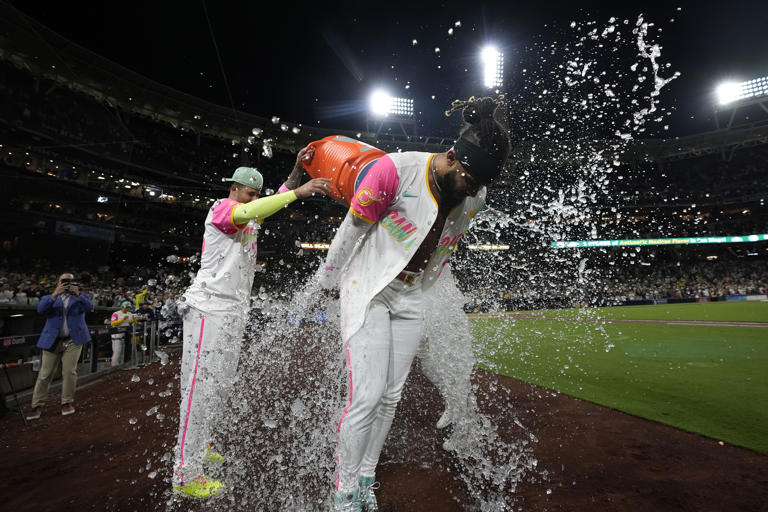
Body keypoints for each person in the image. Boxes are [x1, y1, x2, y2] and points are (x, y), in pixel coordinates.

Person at [316, 96, 511, 511]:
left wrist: (425, 292)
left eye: (481, 184)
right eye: (470, 178)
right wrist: (328, 283)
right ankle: (343, 493)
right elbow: (350, 232)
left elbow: (444, 251)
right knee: (366, 396)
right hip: (368, 286)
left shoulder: (474, 194)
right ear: (453, 156)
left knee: (390, 395)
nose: (474, 190)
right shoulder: (393, 170)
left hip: (411, 295)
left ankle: (366, 478)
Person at [171, 156, 329, 499]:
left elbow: (270, 201)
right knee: (198, 390)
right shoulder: (223, 207)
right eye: (248, 194)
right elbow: (247, 212)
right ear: (233, 189)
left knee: (219, 387)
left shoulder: (252, 208)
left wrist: (295, 174)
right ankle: (186, 473)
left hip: (232, 312)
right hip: (208, 309)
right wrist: (298, 193)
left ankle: (201, 445)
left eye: (257, 195)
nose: (253, 200)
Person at [26, 273, 94, 420]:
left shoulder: (81, 297)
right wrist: (54, 294)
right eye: (64, 281)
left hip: (73, 340)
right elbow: (41, 310)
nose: (67, 283)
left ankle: (66, 403)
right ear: (58, 282)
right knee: (45, 374)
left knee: (69, 372)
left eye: (70, 281)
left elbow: (90, 308)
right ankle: (36, 406)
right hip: (52, 340)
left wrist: (78, 295)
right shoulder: (50, 297)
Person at [110, 301, 134, 366]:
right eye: (126, 307)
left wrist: (135, 320)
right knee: (117, 352)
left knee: (123, 352)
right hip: (116, 334)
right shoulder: (116, 313)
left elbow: (132, 321)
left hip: (125, 334)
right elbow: (112, 323)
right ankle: (114, 367)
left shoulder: (130, 313)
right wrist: (122, 319)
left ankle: (121, 366)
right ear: (123, 307)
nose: (128, 309)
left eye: (129, 307)